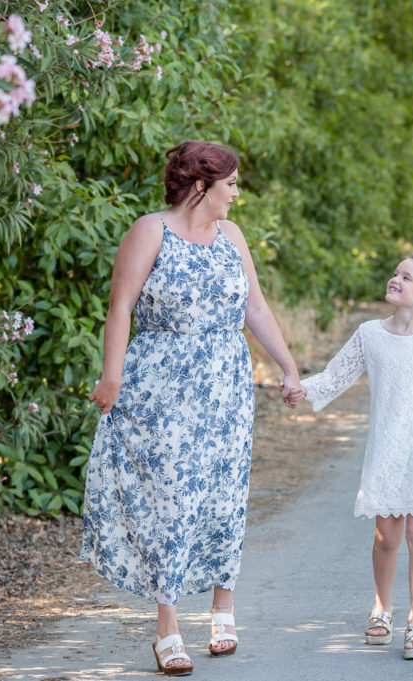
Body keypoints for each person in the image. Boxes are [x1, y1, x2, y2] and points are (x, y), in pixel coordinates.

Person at [82, 140, 306, 676]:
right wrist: (112, 375)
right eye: (230, 184)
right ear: (201, 185)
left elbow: (255, 305)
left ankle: (223, 611)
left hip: (225, 387)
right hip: (161, 387)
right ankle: (168, 627)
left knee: (225, 493)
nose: (236, 194)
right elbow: (121, 307)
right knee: (171, 499)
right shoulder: (149, 230)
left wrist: (288, 366)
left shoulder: (231, 235)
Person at [293, 255, 413, 660]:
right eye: (396, 273)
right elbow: (334, 377)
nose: (394, 279)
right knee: (387, 538)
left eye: (406, 277)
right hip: (387, 448)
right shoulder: (369, 334)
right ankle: (383, 607)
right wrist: (302, 390)